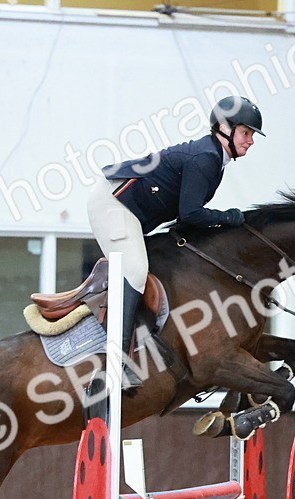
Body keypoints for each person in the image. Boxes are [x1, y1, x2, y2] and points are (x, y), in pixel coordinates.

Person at [87, 96, 264, 388]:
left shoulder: (215, 159)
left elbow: (186, 217)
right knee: (134, 270)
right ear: (223, 128)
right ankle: (115, 364)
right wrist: (231, 217)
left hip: (130, 209)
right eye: (246, 133)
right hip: (113, 203)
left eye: (252, 135)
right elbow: (191, 213)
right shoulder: (206, 157)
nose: (251, 141)